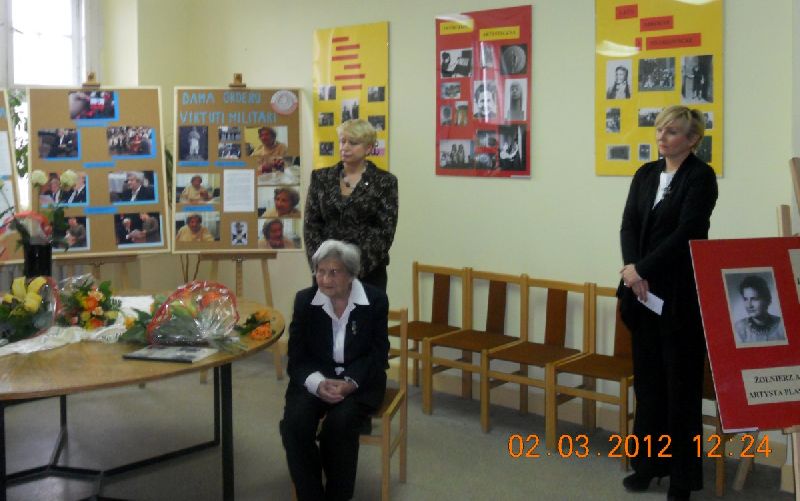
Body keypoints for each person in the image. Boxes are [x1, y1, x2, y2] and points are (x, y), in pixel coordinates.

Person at [617, 105, 718, 501]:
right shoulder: (645, 174)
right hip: (641, 296)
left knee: (680, 391)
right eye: (660, 129)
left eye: (672, 131)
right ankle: (647, 465)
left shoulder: (701, 178)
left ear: (692, 140)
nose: (662, 136)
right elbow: (628, 223)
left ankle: (681, 478)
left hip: (679, 300)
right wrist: (632, 271)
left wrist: (641, 269)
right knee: (648, 387)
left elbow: (688, 233)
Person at [280, 240, 389, 501]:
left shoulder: (374, 300)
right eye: (320, 271)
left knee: (339, 426)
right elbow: (297, 357)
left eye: (334, 272)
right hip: (315, 378)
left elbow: (377, 354)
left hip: (359, 380)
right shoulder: (305, 301)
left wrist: (351, 382)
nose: (325, 279)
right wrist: (317, 383)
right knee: (294, 425)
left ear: (351, 274)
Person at [304, 119, 398, 291]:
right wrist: (322, 265)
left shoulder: (385, 182)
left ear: (368, 148)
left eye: (353, 143)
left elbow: (384, 232)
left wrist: (351, 269)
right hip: (326, 273)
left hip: (367, 273)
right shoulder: (321, 178)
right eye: (342, 141)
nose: (345, 147)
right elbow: (311, 226)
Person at [733, 275, 786, 343]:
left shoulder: (782, 325)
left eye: (754, 299)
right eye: (745, 299)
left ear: (767, 300)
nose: (749, 305)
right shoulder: (739, 329)